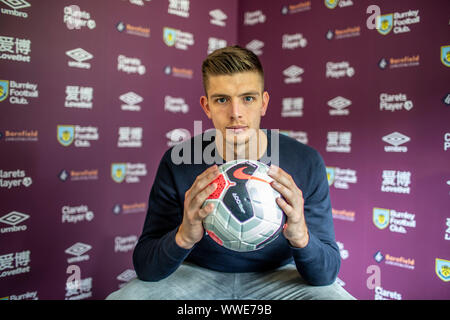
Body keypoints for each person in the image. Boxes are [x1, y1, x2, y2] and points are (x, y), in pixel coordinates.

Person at [106, 45, 355, 300]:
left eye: (247, 98)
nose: (235, 113)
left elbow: (326, 275)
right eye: (222, 99)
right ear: (206, 106)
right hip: (196, 275)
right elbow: (146, 267)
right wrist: (182, 236)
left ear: (263, 103)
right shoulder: (178, 161)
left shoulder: (305, 162)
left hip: (279, 277)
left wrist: (302, 237)